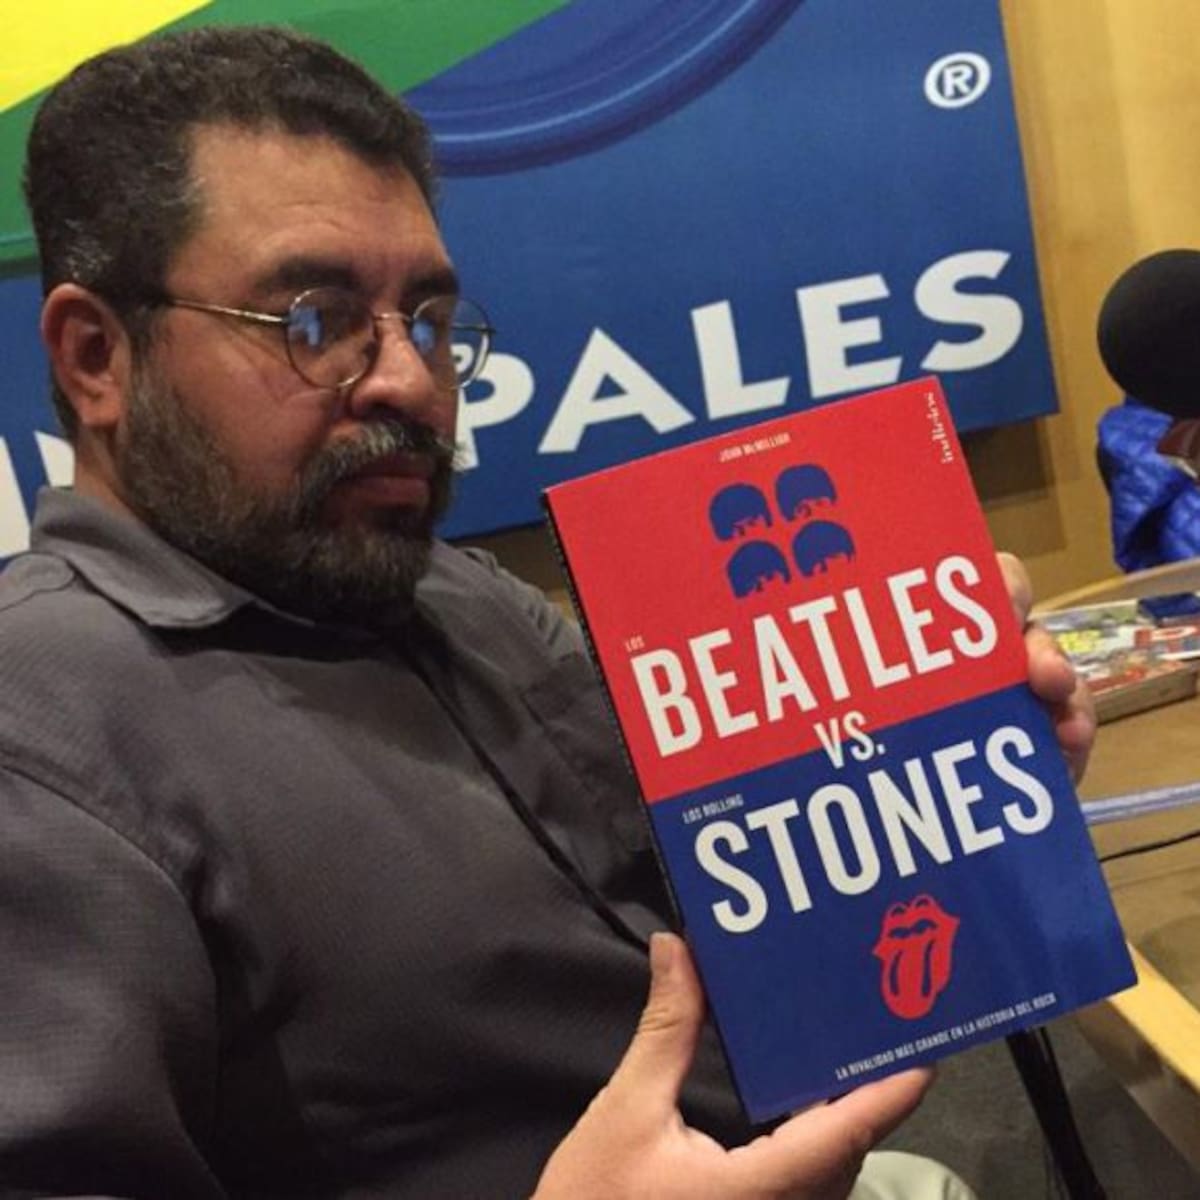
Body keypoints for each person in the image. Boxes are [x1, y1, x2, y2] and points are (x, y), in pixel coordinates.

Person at [0, 25, 1093, 1200]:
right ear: (98, 357)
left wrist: (940, 774)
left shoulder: (444, 589)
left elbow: (734, 868)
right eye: (314, 322)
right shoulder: (41, 734)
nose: (409, 382)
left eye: (428, 320)